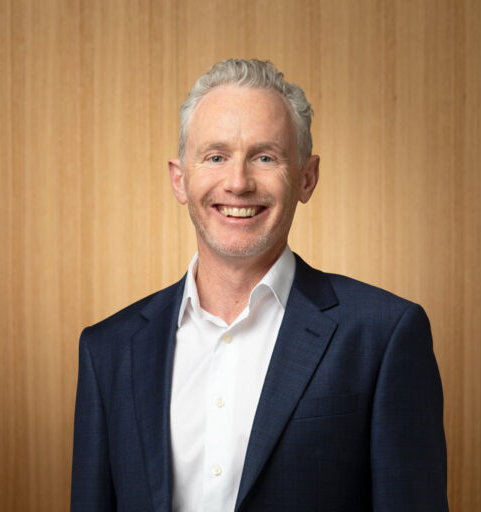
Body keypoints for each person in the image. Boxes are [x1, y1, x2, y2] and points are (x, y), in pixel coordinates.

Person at [71, 58, 448, 512]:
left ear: (307, 177)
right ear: (179, 179)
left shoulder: (384, 335)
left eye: (265, 157)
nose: (238, 182)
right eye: (215, 156)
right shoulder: (109, 350)